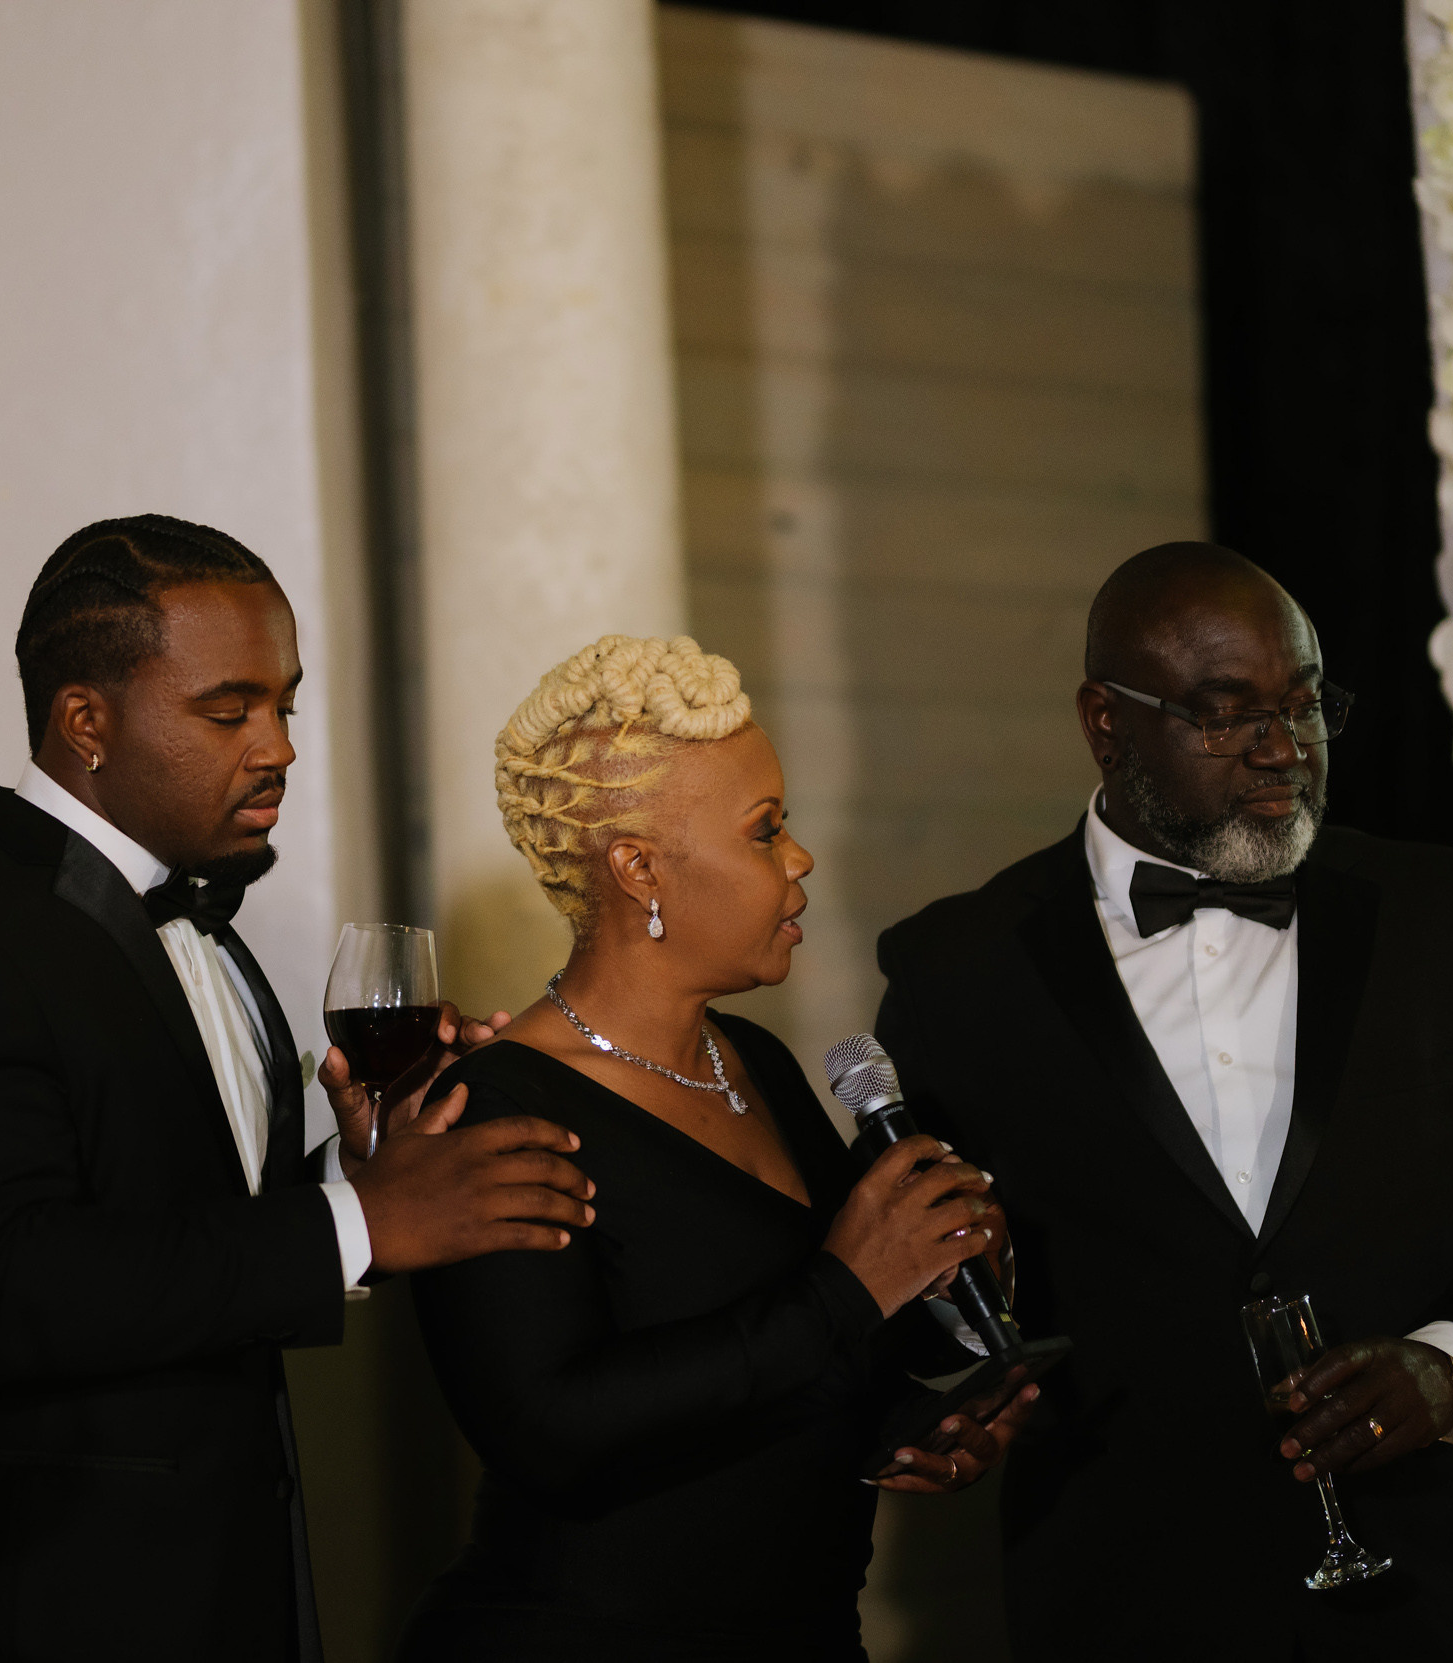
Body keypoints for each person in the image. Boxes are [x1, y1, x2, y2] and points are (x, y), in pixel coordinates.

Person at [0, 514, 597, 1663]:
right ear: (85, 722)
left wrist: (365, 1167)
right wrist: (360, 1222)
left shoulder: (195, 922)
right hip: (23, 1616)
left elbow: (171, 1218)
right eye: (229, 711)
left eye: (286, 706)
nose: (276, 748)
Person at [873, 542, 1453, 1659]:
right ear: (1105, 722)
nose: (1283, 747)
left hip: (1432, 1603)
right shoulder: (957, 970)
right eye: (1224, 713)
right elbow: (919, 1289)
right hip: (1127, 1606)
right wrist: (949, 1354)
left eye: (1304, 704)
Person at [395, 635, 1036, 1663]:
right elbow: (553, 1428)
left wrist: (916, 1414)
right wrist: (850, 1285)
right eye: (765, 829)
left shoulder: (755, 1062)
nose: (800, 857)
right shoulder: (495, 1106)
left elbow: (803, 1352)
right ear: (638, 867)